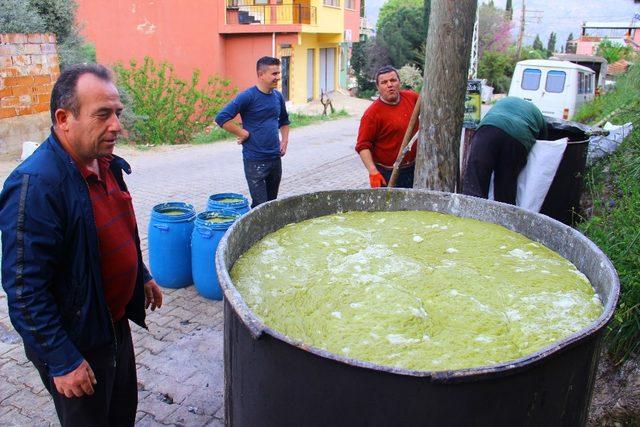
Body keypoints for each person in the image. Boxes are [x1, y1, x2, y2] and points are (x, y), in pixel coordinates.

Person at [0, 63, 163, 426]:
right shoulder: (37, 186)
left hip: (112, 324)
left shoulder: (105, 163)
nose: (116, 126)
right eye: (102, 114)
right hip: (77, 343)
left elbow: (118, 229)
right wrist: (62, 360)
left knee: (121, 414)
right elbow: (25, 291)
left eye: (117, 113)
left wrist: (141, 275)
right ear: (64, 118)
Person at [215, 56, 291, 208]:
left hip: (275, 159)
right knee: (259, 206)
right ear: (261, 75)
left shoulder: (278, 96)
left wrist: (284, 141)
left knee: (271, 204)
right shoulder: (248, 96)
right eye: (273, 74)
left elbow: (284, 121)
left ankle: (269, 231)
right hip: (255, 160)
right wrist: (242, 133)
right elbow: (222, 118)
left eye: (278, 73)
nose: (278, 77)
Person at [462, 96, 548, 205]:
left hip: (487, 130)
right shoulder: (538, 115)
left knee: (475, 184)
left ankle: (469, 214)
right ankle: (503, 219)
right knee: (505, 187)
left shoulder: (505, 101)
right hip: (517, 137)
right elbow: (543, 146)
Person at [355, 65, 419, 188]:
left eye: (393, 80)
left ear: (399, 83)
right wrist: (373, 172)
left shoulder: (412, 98)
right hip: (389, 173)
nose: (390, 85)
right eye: (384, 82)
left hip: (415, 168)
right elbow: (362, 146)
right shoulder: (372, 114)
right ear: (378, 87)